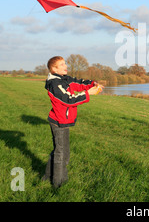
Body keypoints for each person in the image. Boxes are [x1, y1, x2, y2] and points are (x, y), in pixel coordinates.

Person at [42, 56, 103, 188]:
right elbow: (68, 99)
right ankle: (59, 184)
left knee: (60, 151)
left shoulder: (64, 79)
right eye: (62, 64)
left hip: (62, 120)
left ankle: (47, 177)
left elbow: (78, 83)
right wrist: (88, 94)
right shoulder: (55, 84)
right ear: (54, 69)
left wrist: (93, 84)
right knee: (62, 154)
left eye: (65, 63)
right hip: (58, 121)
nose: (66, 66)